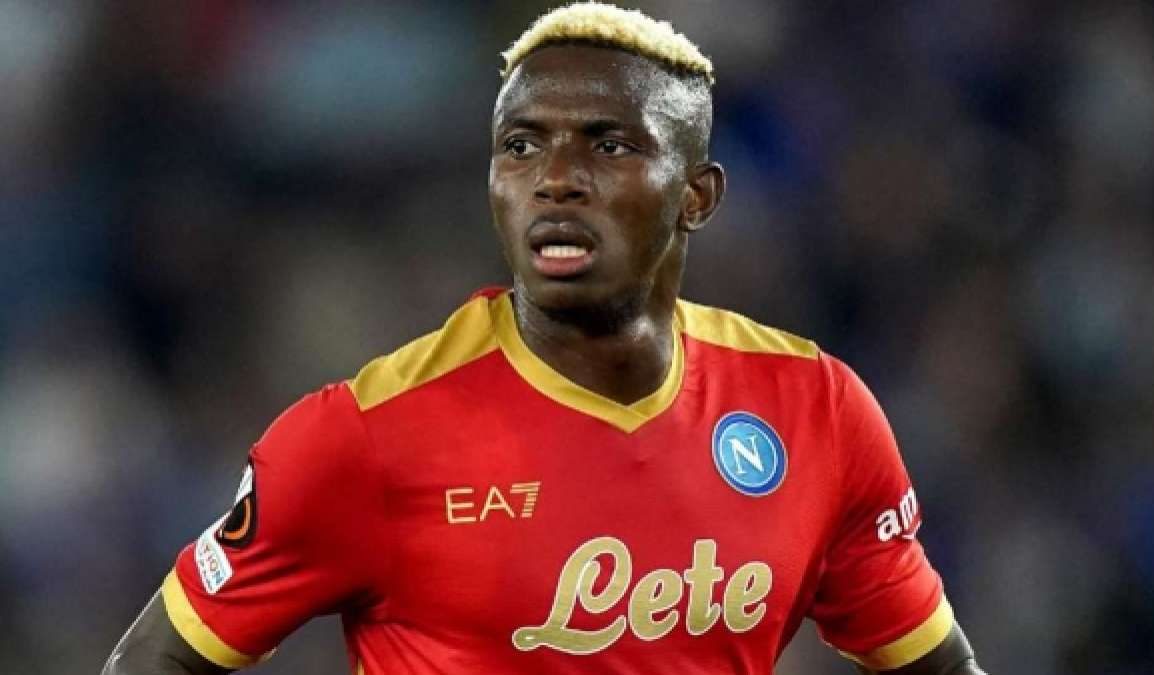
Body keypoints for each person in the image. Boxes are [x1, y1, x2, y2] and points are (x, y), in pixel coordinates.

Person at [103, 4, 987, 674]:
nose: (556, 179)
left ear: (697, 195)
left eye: (608, 145)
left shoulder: (815, 410)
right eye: (522, 147)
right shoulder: (365, 434)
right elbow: (156, 657)